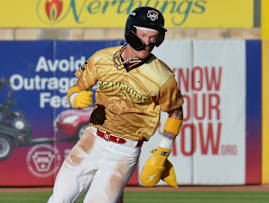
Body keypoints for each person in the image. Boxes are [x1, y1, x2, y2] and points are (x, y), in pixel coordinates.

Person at [47, 6, 184, 203]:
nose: (147, 42)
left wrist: (163, 152)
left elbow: (176, 113)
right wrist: (75, 97)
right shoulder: (102, 58)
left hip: (125, 151)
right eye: (144, 34)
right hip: (92, 139)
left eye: (154, 37)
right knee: (58, 199)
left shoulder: (163, 76)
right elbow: (77, 87)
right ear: (130, 31)